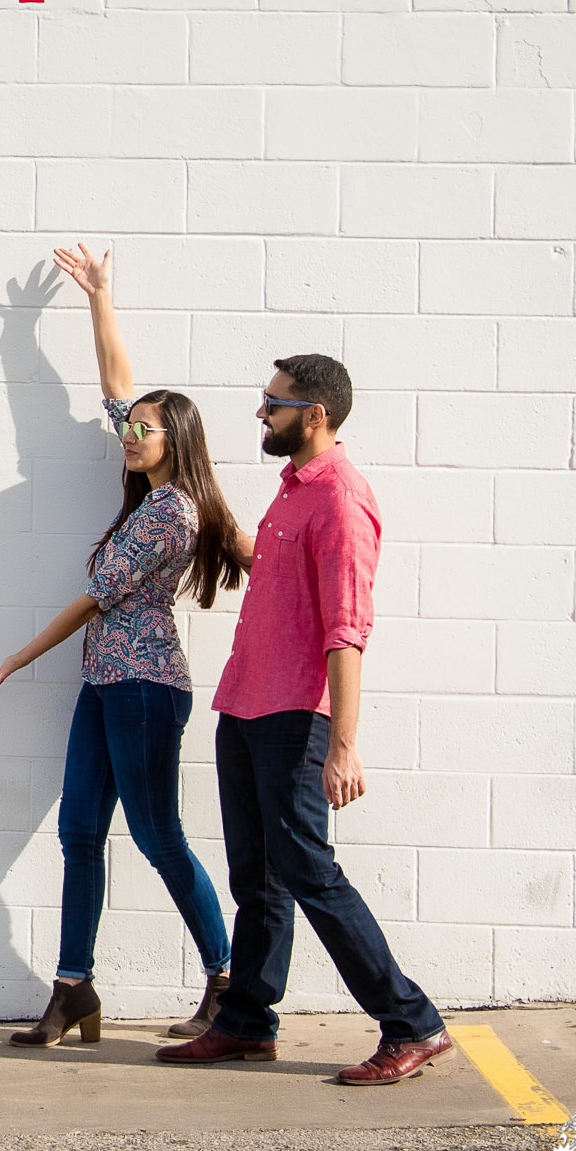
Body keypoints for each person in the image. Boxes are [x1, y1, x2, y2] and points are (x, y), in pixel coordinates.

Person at [155, 354, 454, 1085]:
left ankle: (411, 1022)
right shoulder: (292, 491)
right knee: (256, 876)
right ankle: (248, 1021)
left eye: (273, 403)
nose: (262, 413)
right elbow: (282, 577)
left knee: (308, 871)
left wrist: (343, 745)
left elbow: (346, 629)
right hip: (246, 703)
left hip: (295, 714)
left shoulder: (342, 500)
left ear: (313, 414)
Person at [0, 245, 245, 1048]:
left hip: (145, 689)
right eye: (130, 428)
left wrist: (20, 658)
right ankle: (73, 988)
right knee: (79, 833)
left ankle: (227, 979)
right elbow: (118, 385)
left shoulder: (172, 513)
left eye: (145, 430)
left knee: (159, 837)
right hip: (105, 684)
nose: (129, 433)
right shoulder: (153, 489)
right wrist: (97, 298)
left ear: (176, 439)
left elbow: (95, 598)